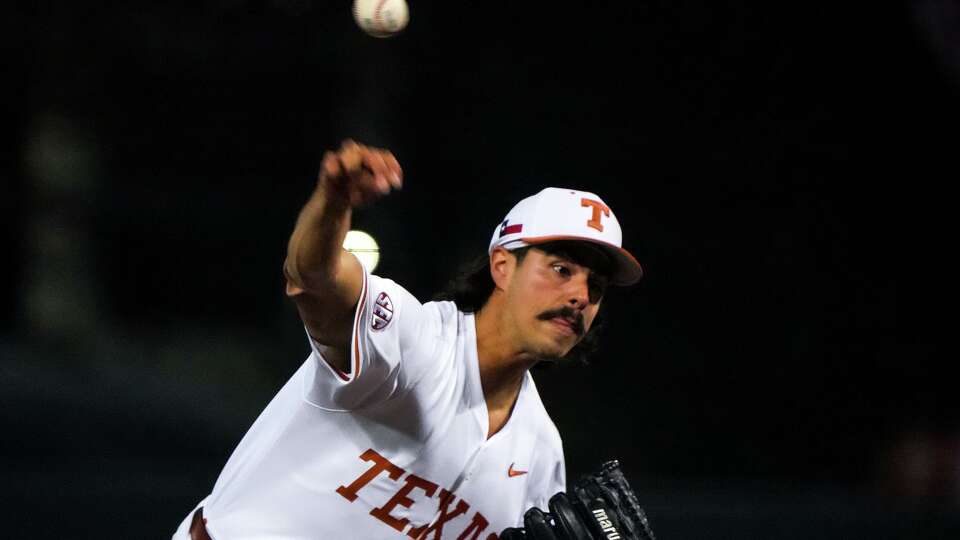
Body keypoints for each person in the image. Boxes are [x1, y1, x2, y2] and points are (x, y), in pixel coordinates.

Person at [172, 139, 643, 539]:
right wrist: (334, 201)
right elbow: (311, 278)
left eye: (595, 287)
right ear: (502, 265)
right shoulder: (410, 339)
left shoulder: (541, 456)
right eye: (561, 269)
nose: (580, 295)